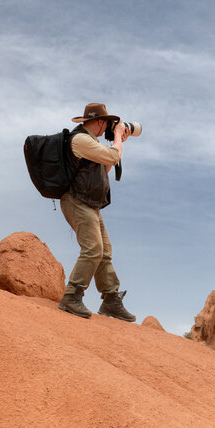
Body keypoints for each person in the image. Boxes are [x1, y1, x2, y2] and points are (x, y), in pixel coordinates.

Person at [57, 102, 136, 322]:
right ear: (100, 122)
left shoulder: (90, 143)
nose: (110, 128)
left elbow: (105, 167)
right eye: (109, 124)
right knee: (93, 249)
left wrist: (119, 142)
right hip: (77, 201)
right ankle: (72, 296)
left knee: (104, 251)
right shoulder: (80, 139)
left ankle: (110, 299)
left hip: (90, 203)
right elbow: (112, 157)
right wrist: (118, 138)